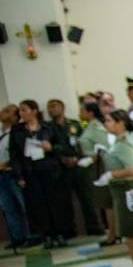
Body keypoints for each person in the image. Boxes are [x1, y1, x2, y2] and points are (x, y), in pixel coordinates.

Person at [10, 100, 73, 248]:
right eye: (20, 111)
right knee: (38, 204)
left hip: (51, 170)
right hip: (30, 171)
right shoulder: (17, 130)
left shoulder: (49, 127)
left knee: (55, 202)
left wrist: (51, 147)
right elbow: (14, 155)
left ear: (34, 111)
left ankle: (60, 233)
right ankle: (47, 235)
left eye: (24, 110)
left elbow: (65, 147)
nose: (21, 113)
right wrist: (18, 175)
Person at [97, 111, 133, 267]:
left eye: (110, 120)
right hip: (120, 191)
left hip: (128, 189)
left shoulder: (125, 142)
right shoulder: (118, 141)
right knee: (129, 237)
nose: (106, 123)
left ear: (122, 123)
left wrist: (111, 174)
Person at [48, 98, 91, 238]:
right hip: (60, 168)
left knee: (86, 197)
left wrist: (77, 158)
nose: (51, 109)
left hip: (78, 165)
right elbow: (48, 148)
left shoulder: (74, 124)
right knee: (64, 201)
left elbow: (82, 143)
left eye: (54, 106)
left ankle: (93, 227)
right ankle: (68, 230)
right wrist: (63, 159)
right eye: (49, 107)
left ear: (62, 107)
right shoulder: (48, 127)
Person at [76, 102, 111, 242]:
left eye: (82, 111)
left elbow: (102, 148)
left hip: (98, 166)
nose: (79, 114)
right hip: (89, 167)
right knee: (96, 199)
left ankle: (109, 230)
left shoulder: (96, 127)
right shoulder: (88, 126)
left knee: (103, 199)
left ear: (90, 113)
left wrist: (90, 159)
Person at [0, 105, 33, 248]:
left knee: (23, 204)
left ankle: (32, 235)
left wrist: (6, 164)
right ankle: (17, 236)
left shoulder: (19, 131)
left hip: (14, 173)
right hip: (1, 175)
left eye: (7, 111)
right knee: (8, 207)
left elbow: (18, 153)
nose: (2, 113)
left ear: (15, 116)